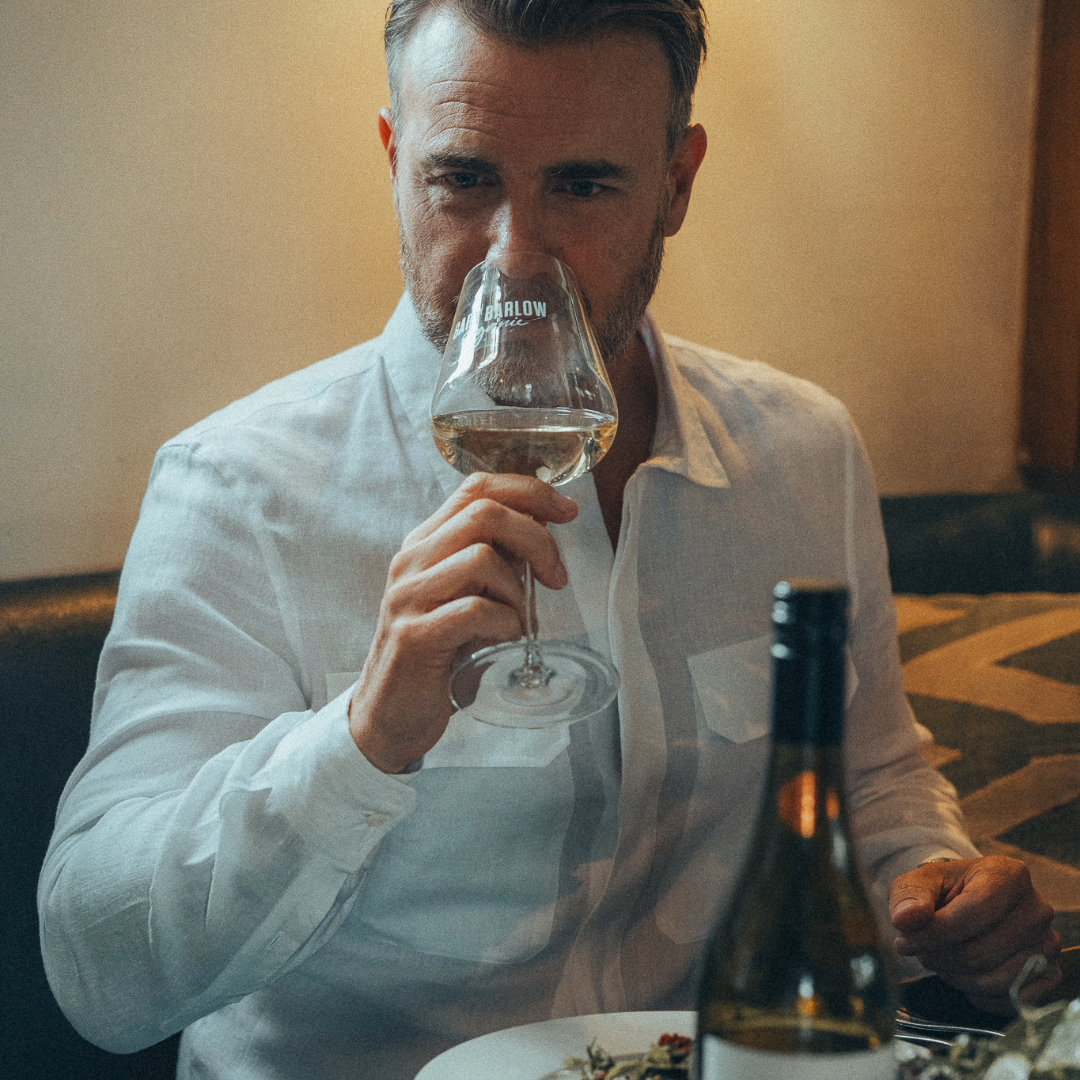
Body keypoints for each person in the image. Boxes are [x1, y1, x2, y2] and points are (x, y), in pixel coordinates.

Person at [39, 1, 1061, 1077]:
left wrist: (942, 890)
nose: (514, 257)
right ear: (396, 160)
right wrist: (363, 737)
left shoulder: (801, 453)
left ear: (677, 182)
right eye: (464, 178)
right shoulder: (238, 490)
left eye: (581, 185)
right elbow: (97, 976)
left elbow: (876, 779)